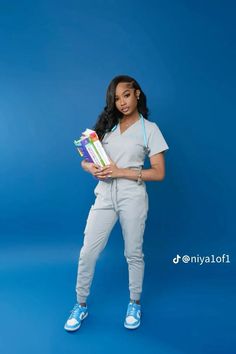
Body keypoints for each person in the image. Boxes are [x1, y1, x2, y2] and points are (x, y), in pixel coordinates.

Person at [64, 75, 169, 331]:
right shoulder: (107, 126)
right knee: (88, 252)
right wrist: (91, 169)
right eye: (116, 98)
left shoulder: (149, 129)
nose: (122, 102)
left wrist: (121, 171)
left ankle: (134, 302)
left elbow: (159, 173)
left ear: (137, 94)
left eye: (126, 95)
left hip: (132, 196)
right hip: (104, 195)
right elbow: (85, 160)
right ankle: (80, 305)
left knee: (133, 253)